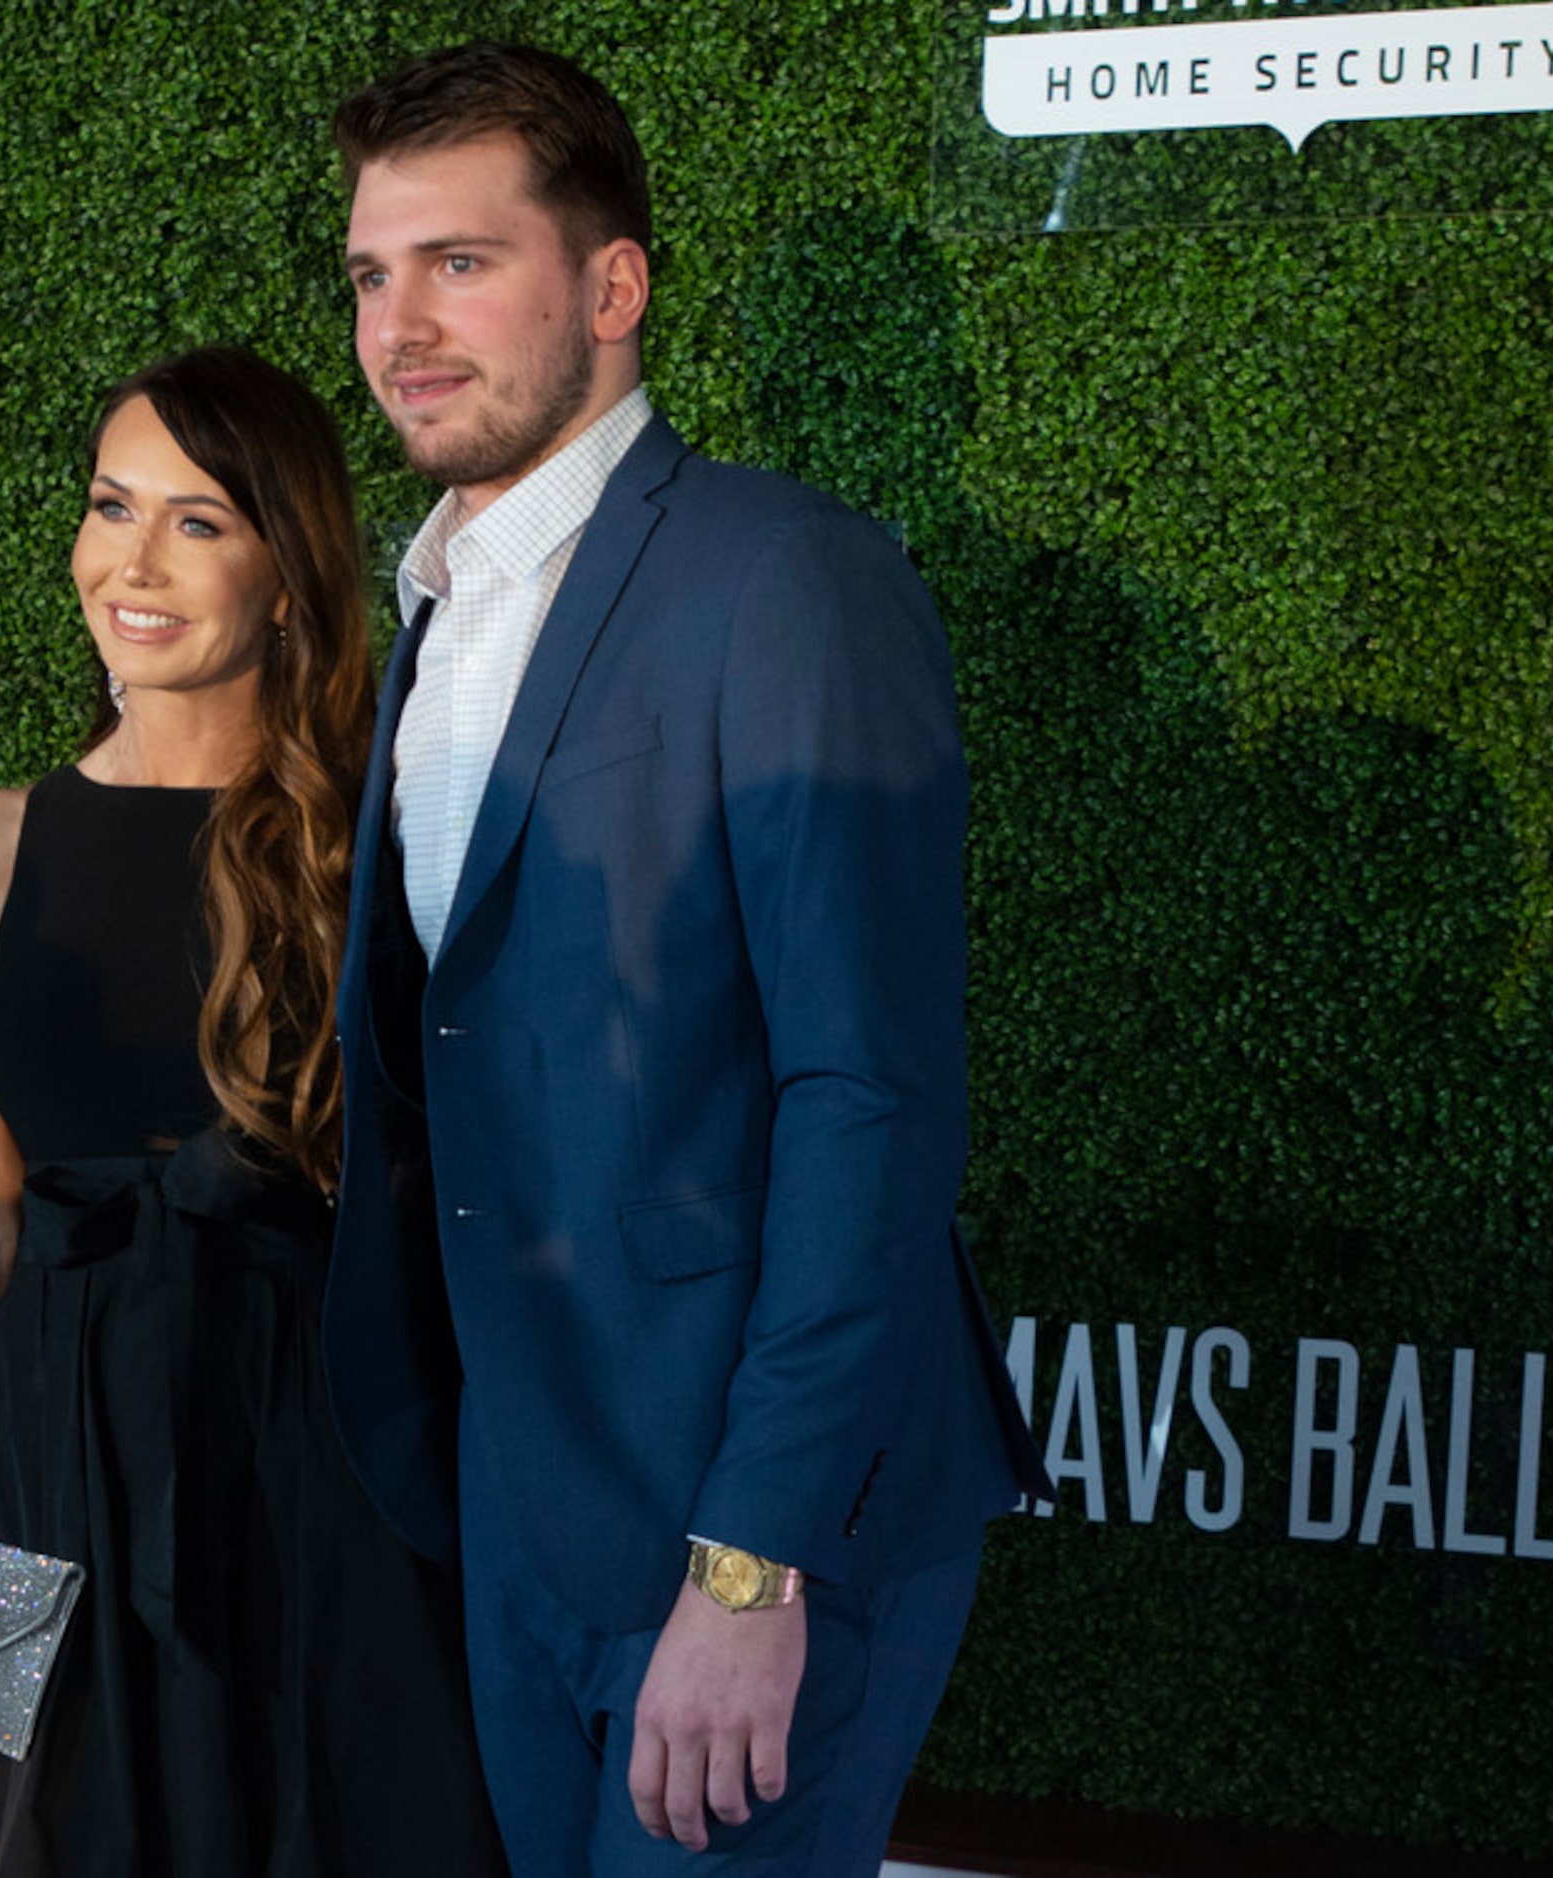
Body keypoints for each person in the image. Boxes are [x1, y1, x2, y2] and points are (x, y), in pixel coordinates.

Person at [321, 45, 1053, 1875]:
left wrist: (751, 1557)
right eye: (368, 274)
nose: (401, 323)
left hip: (752, 1526)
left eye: (461, 263)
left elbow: (866, 1091)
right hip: (526, 1507)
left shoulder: (785, 576)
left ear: (614, 287)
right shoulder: (423, 617)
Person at [0, 346, 504, 1878]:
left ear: (290, 574)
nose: (132, 562)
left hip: (307, 1482)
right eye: (111, 505)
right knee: (12, 1839)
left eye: (199, 522)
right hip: (36, 1478)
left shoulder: (379, 841)